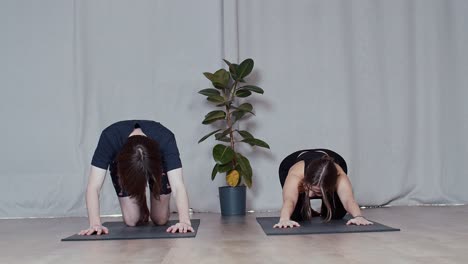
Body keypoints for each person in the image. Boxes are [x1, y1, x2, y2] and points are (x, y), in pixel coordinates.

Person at [78, 120, 193, 235]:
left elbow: (178, 186)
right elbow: (93, 186)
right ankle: (140, 204)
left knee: (160, 219)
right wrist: (95, 224)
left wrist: (184, 221)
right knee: (132, 220)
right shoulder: (109, 138)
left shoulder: (165, 138)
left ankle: (154, 203)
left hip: (158, 164)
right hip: (123, 166)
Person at [274, 149, 373, 228]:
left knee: (336, 215)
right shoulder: (296, 175)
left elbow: (348, 200)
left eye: (322, 189)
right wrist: (284, 219)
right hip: (291, 163)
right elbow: (289, 200)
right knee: (297, 216)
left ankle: (325, 198)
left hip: (333, 166)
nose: (318, 192)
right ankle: (308, 208)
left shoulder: (339, 176)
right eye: (315, 188)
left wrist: (359, 217)